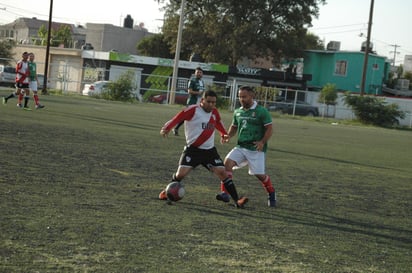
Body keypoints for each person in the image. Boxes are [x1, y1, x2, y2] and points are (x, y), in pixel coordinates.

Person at [159, 90, 248, 208]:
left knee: (222, 172)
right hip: (193, 150)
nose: (211, 105)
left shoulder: (214, 112)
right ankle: (167, 192)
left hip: (209, 151)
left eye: (214, 102)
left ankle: (237, 200)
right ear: (202, 100)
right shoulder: (193, 110)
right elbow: (178, 118)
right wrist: (167, 128)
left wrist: (223, 134)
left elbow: (218, 123)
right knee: (181, 174)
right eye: (209, 102)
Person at [216, 85, 277, 207]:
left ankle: (271, 193)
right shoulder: (238, 112)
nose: (241, 99)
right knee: (227, 164)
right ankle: (225, 193)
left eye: (244, 96)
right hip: (241, 146)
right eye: (240, 96)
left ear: (252, 96)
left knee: (259, 175)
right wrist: (228, 136)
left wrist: (262, 142)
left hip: (256, 149)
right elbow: (234, 126)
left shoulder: (261, 111)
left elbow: (269, 129)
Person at [172, 67, 205, 136]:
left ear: (202, 74)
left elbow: (202, 92)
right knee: (186, 116)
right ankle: (176, 128)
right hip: (192, 102)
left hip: (199, 103)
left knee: (198, 117)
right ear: (195, 73)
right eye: (197, 72)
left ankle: (196, 132)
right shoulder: (192, 81)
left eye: (200, 72)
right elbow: (189, 91)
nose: (199, 74)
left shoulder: (202, 82)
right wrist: (198, 93)